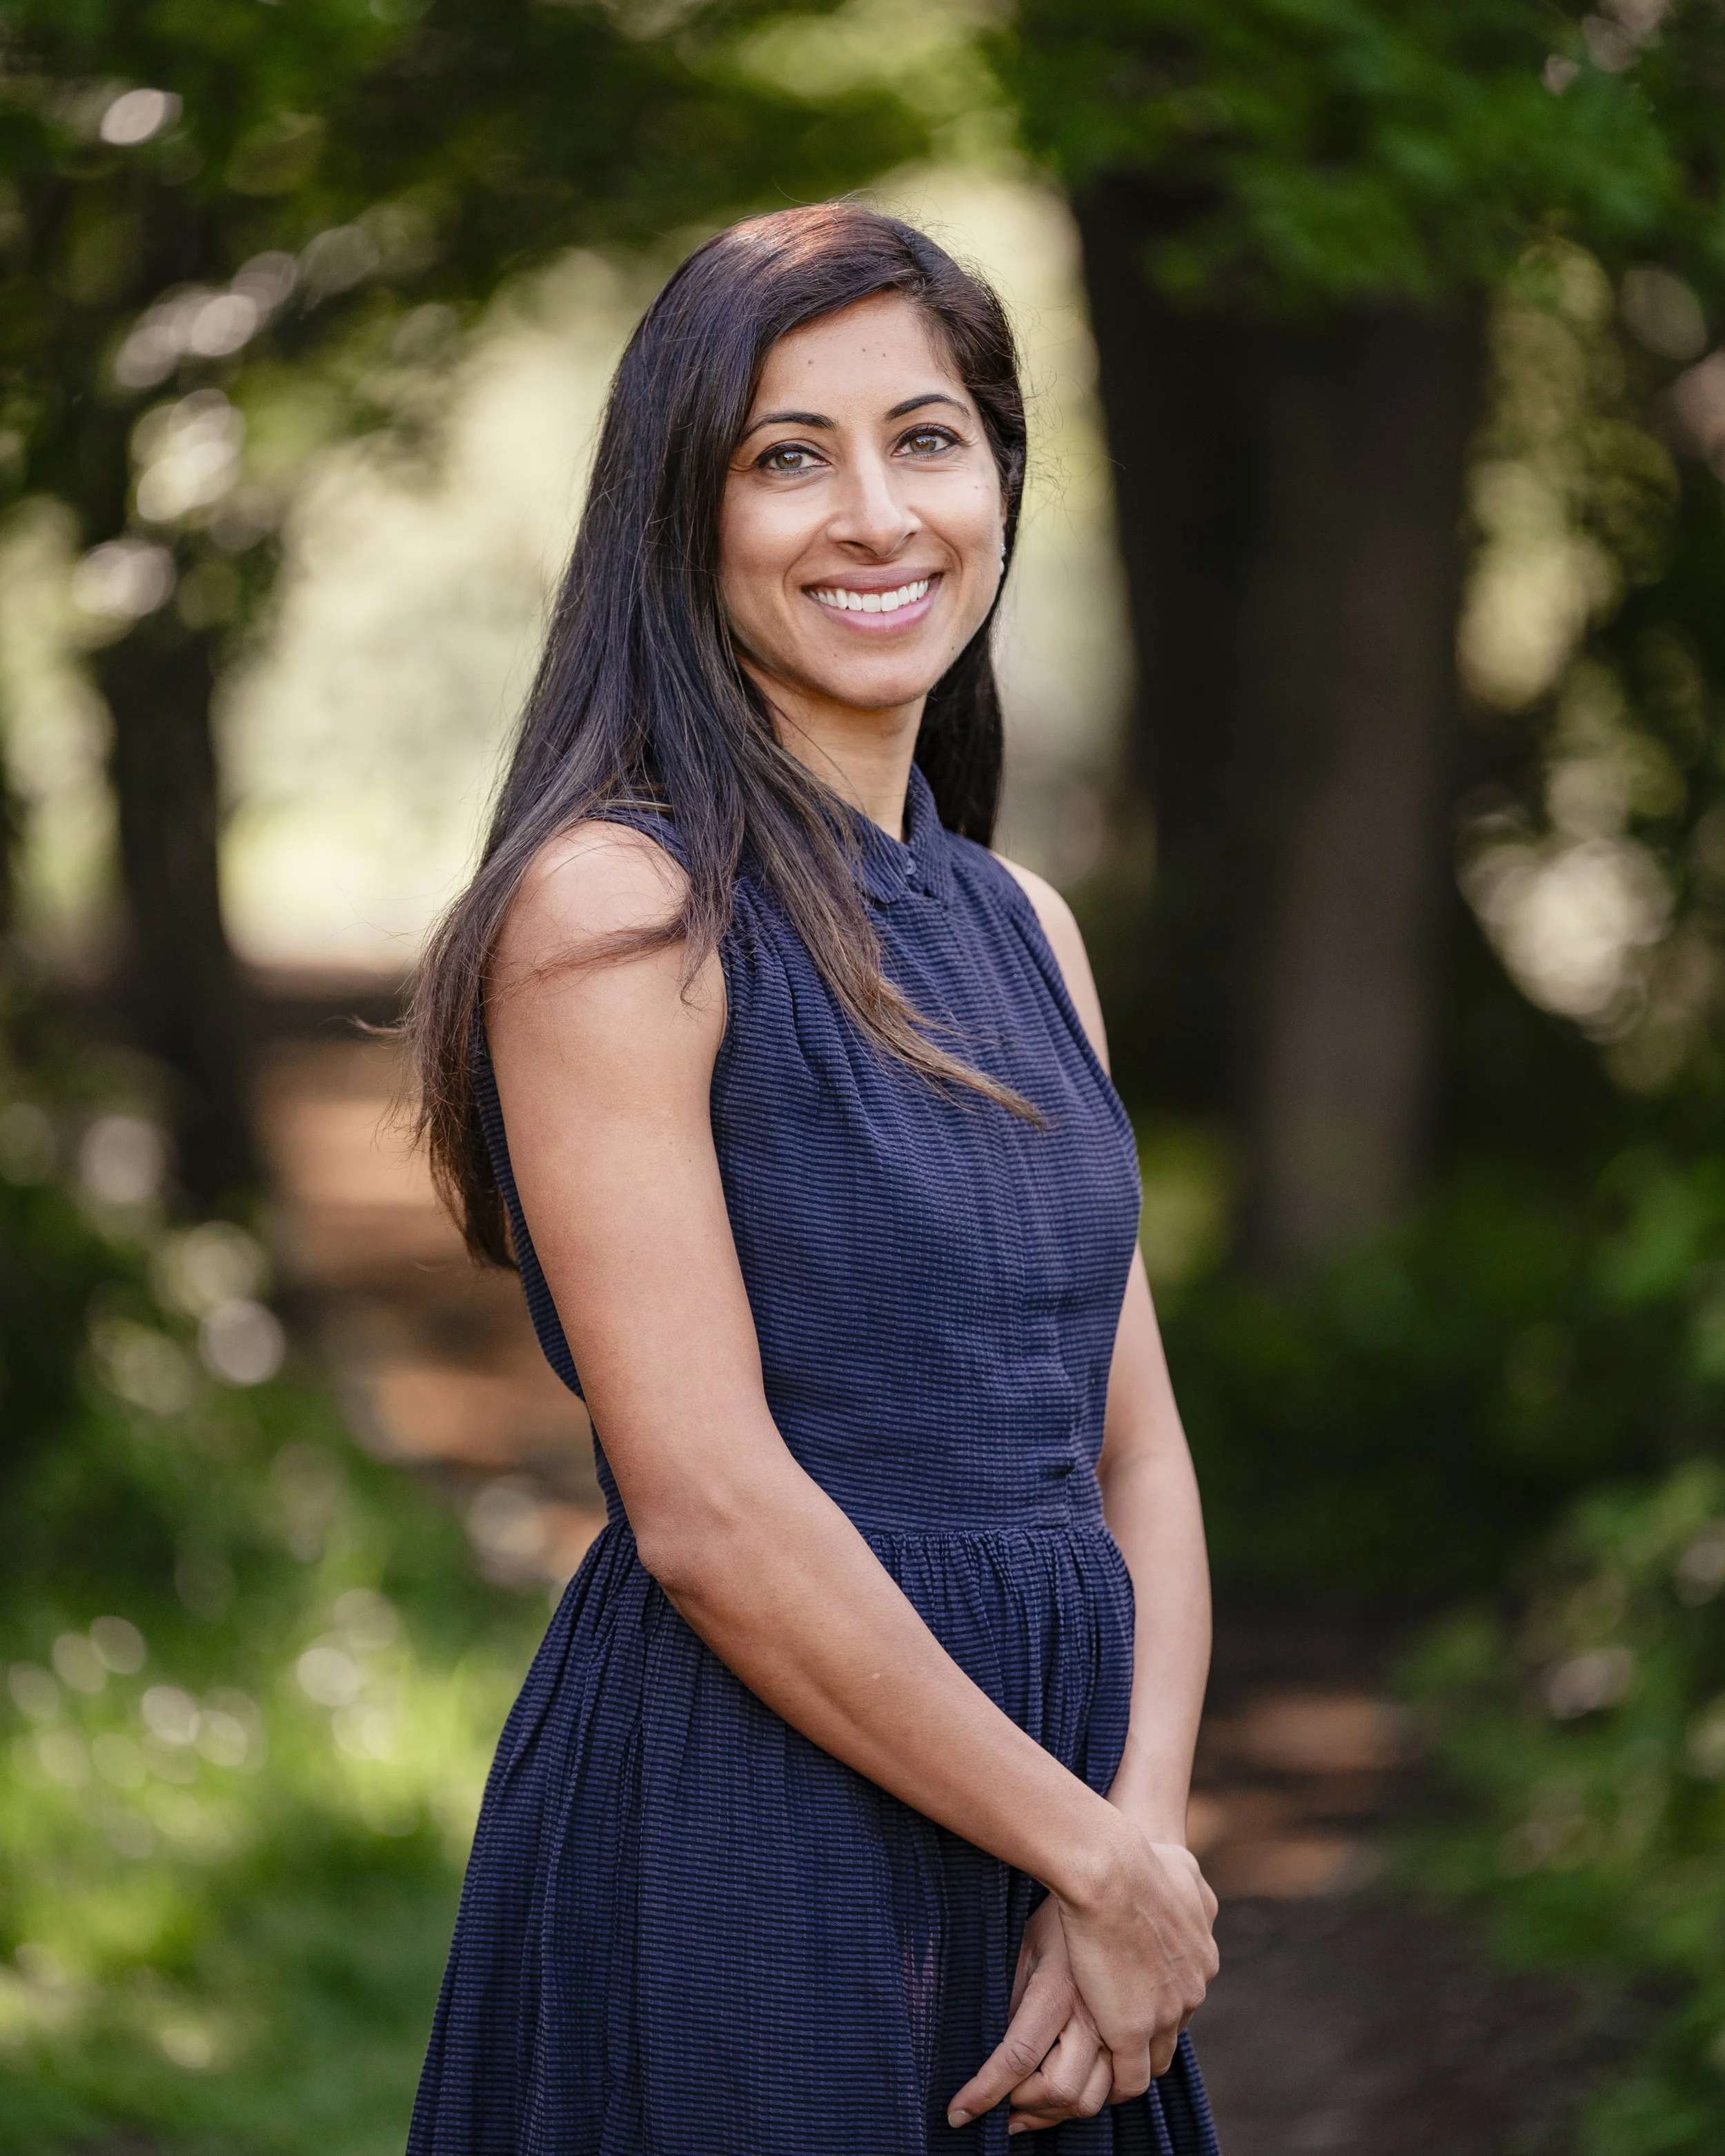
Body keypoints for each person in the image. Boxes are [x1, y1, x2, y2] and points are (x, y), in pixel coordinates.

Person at [406, 201, 1220, 2155]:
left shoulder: (1025, 923)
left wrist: (1141, 1851)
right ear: (682, 516)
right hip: (756, 1820)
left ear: (997, 479)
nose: (875, 512)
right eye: (789, 455)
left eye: (925, 438)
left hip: (1068, 1840)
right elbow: (705, 1506)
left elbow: (1136, 1458)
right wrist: (1083, 1850)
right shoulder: (616, 908)